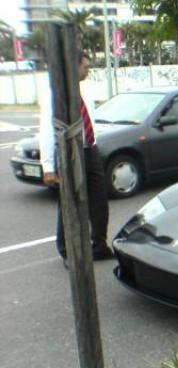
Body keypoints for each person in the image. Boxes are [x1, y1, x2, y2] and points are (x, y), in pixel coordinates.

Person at [40, 52, 113, 263]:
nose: (88, 71)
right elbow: (46, 129)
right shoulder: (55, 93)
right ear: (74, 67)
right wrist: (48, 168)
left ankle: (99, 245)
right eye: (85, 67)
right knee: (69, 203)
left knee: (99, 200)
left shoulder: (85, 90)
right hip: (68, 152)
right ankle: (67, 251)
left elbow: (90, 120)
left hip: (90, 149)